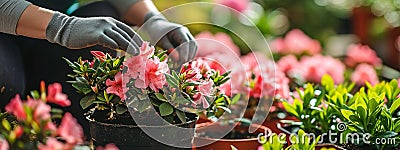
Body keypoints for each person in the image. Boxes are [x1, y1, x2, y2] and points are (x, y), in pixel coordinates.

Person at [0, 0, 197, 136]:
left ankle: (69, 132)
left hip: (48, 45)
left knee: (105, 20)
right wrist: (62, 27)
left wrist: (154, 20)